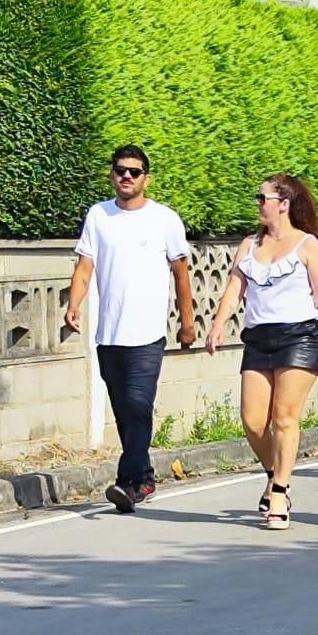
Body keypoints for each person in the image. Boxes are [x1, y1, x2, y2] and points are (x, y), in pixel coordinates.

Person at [205, 174, 318, 531]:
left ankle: (280, 492)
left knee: (284, 416)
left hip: (299, 336)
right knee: (253, 421)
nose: (258, 203)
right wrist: (218, 324)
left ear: (283, 203)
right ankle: (273, 473)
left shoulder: (307, 245)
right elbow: (234, 290)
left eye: (262, 197)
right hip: (258, 338)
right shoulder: (248, 245)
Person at [64, 144, 196, 514]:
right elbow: (84, 267)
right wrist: (73, 304)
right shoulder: (98, 216)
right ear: (112, 174)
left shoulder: (164, 219)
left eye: (134, 172)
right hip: (109, 334)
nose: (126, 176)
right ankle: (145, 477)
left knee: (139, 405)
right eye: (120, 170)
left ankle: (127, 482)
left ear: (145, 178)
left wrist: (187, 322)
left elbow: (181, 273)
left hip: (148, 334)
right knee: (125, 411)